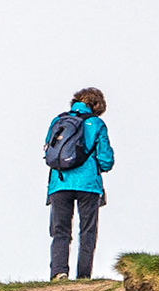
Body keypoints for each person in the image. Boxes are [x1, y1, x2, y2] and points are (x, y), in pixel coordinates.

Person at [45, 88, 115, 280]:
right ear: (97, 106)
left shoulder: (58, 120)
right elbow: (106, 160)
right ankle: (83, 277)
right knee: (87, 231)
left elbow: (49, 151)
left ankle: (59, 272)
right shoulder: (96, 123)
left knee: (60, 231)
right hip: (88, 185)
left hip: (59, 182)